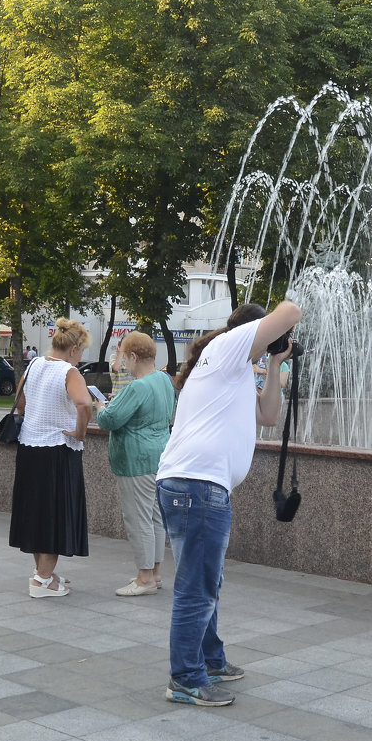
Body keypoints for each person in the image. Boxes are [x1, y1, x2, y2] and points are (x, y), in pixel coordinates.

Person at [157, 300, 301, 706]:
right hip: (198, 487)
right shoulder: (230, 347)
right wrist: (274, 336)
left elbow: (269, 415)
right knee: (197, 588)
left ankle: (210, 659)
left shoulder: (232, 366)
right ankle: (185, 678)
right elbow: (290, 310)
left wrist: (274, 365)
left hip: (192, 485)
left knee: (206, 581)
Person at [8, 318, 93, 598]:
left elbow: (20, 400)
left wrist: (33, 416)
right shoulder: (69, 372)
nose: (81, 358)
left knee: (35, 513)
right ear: (73, 349)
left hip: (29, 448)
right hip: (57, 449)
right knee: (54, 515)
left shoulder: (33, 365)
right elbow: (84, 403)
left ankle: (43, 574)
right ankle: (42, 581)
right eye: (81, 353)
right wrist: (80, 432)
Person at [94, 332, 174, 597]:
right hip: (159, 456)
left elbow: (109, 420)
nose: (124, 362)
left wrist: (101, 406)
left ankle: (144, 579)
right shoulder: (163, 379)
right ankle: (155, 573)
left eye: (124, 356)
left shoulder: (136, 387)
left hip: (136, 460)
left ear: (134, 356)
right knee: (155, 517)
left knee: (138, 518)